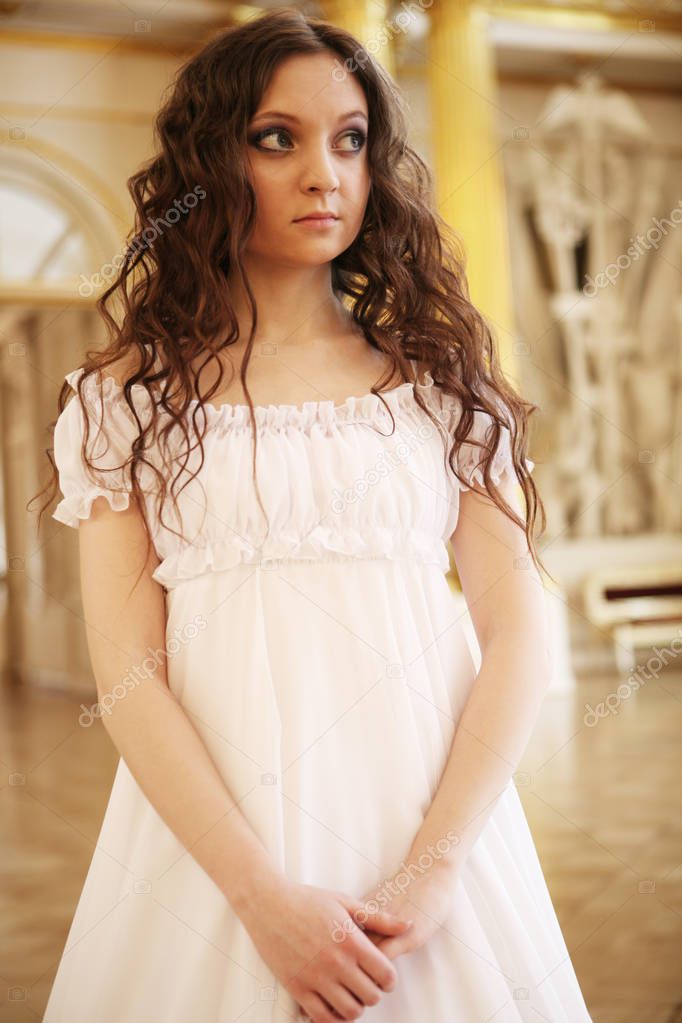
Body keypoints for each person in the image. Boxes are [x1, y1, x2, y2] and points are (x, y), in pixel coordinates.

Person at [34, 8, 594, 1022]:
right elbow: (128, 676)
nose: (322, 172)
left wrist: (431, 872)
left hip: (434, 850)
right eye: (275, 138)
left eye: (350, 139)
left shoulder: (441, 383)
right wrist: (261, 902)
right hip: (211, 862)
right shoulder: (123, 401)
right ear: (211, 161)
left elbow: (515, 631)